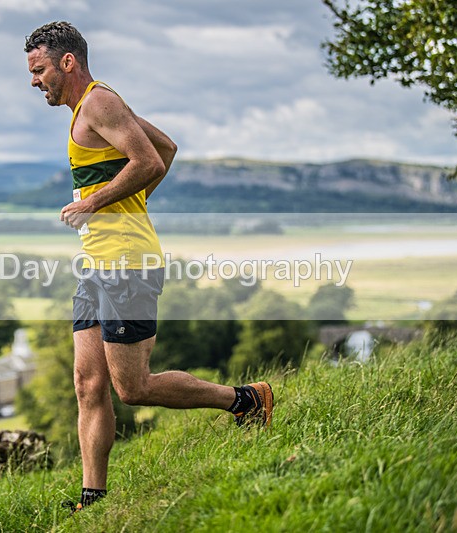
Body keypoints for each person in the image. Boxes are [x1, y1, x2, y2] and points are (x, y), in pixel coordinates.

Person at [24, 21, 273, 512]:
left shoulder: (99, 102)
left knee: (132, 387)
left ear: (67, 61)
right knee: (87, 383)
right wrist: (124, 203)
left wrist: (96, 202)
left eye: (39, 70)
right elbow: (167, 147)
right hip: (96, 262)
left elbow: (151, 162)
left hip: (126, 263)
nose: (34, 81)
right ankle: (92, 499)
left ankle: (246, 400)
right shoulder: (87, 109)